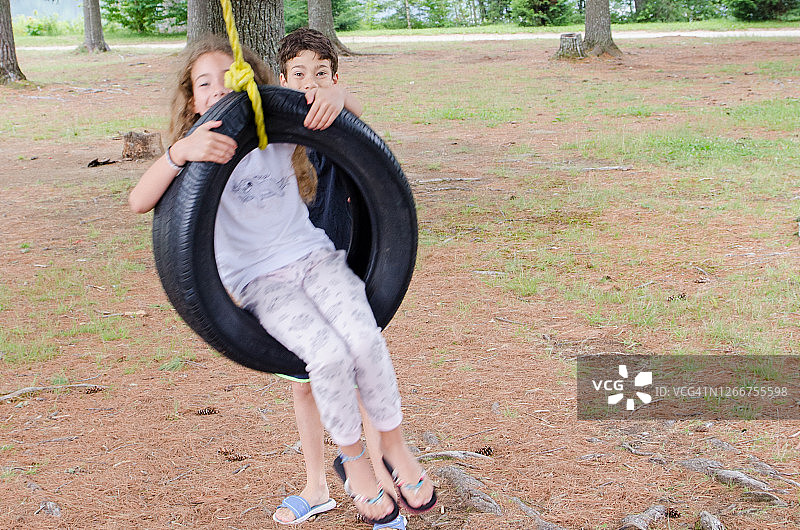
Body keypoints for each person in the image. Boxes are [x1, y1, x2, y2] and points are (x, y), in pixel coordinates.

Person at [128, 34, 436, 528]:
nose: (218, 90)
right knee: (327, 357)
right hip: (260, 284)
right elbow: (139, 201)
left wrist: (339, 97)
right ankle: (355, 465)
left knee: (363, 338)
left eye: (230, 79)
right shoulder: (195, 156)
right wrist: (179, 152)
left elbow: (348, 126)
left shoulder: (275, 133)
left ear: (251, 82)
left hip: (314, 260)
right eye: (204, 83)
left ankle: (395, 448)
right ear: (191, 99)